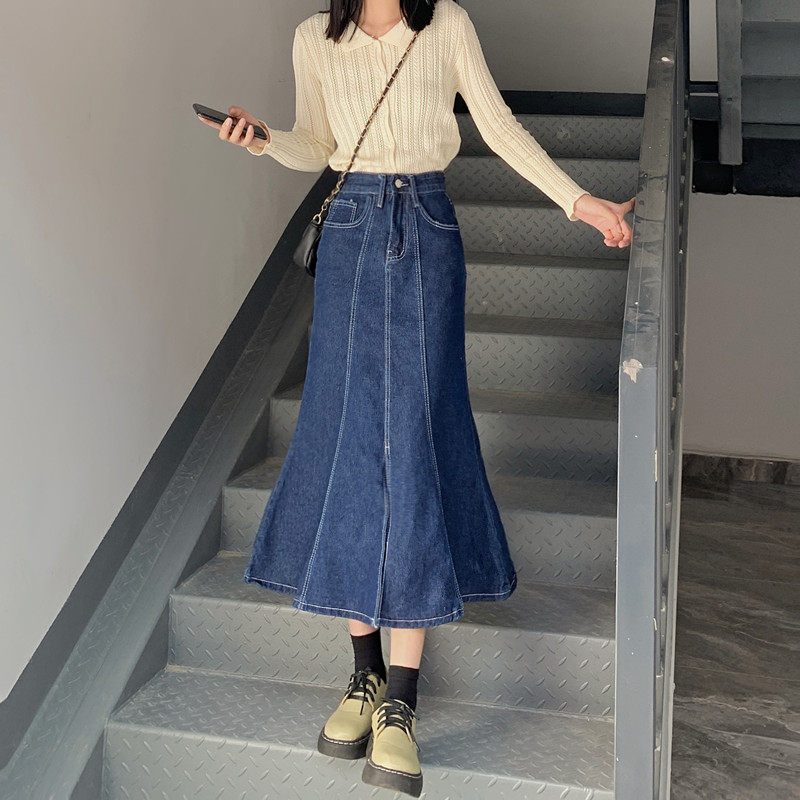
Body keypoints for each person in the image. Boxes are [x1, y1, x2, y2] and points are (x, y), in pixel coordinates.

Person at [198, 1, 634, 796]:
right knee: (346, 442)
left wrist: (579, 202)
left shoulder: (447, 26)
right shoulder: (313, 39)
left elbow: (499, 126)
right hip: (349, 232)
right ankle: (363, 674)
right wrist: (262, 140)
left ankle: (401, 700)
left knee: (415, 444)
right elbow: (318, 145)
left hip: (427, 229)